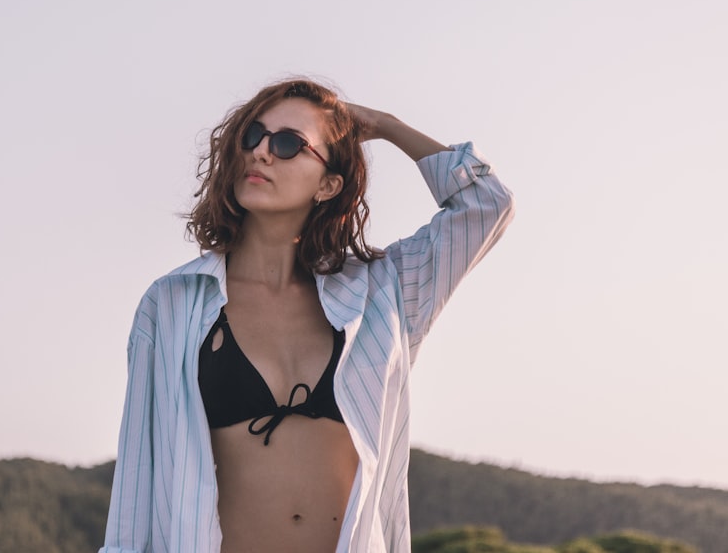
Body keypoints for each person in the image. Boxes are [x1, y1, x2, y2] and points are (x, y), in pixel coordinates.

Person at [99, 77, 515, 553]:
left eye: (288, 143)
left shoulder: (381, 293)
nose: (261, 152)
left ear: (328, 184)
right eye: (252, 136)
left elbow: (486, 206)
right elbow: (134, 495)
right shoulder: (173, 304)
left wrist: (385, 125)